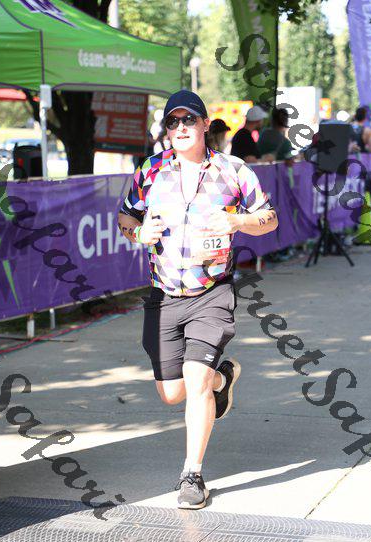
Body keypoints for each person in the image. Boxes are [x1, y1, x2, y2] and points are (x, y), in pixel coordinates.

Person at [117, 89, 278, 510]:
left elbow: (269, 218)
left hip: (212, 292)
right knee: (172, 393)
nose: (181, 127)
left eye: (189, 119)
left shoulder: (233, 170)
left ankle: (192, 474)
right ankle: (223, 379)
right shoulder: (151, 170)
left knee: (196, 379)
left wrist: (237, 221)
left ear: (206, 124)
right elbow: (125, 216)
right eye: (173, 121)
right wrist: (139, 233)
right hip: (164, 295)